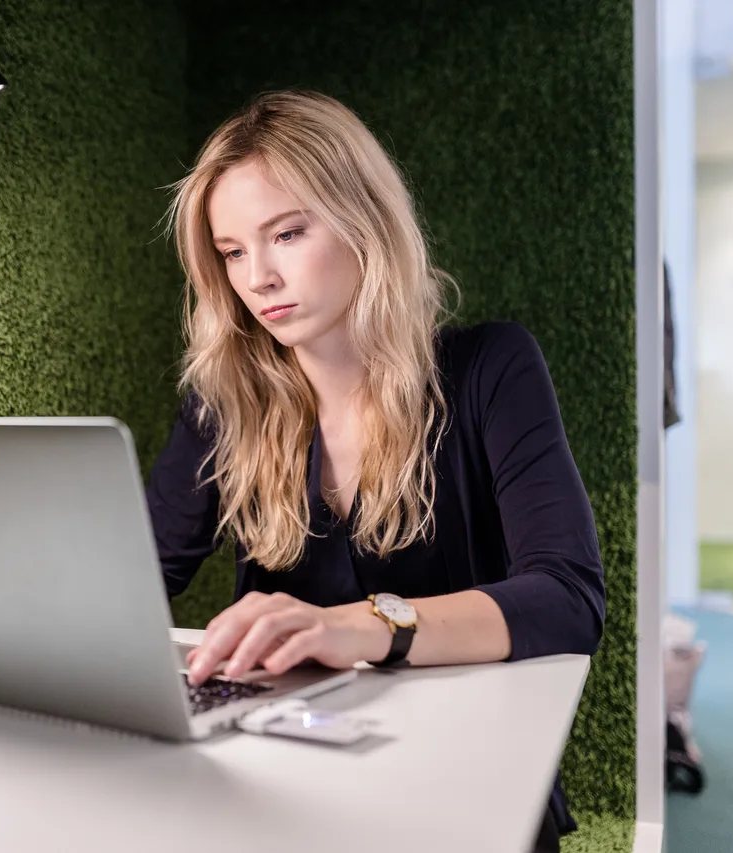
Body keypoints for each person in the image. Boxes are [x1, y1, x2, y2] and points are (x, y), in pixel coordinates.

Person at [145, 89, 606, 853]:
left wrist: (357, 627)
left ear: (365, 221)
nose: (256, 276)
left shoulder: (491, 367)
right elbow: (135, 579)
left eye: (287, 233)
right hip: (278, 780)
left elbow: (567, 596)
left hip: (464, 783)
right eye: (231, 252)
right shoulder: (223, 401)